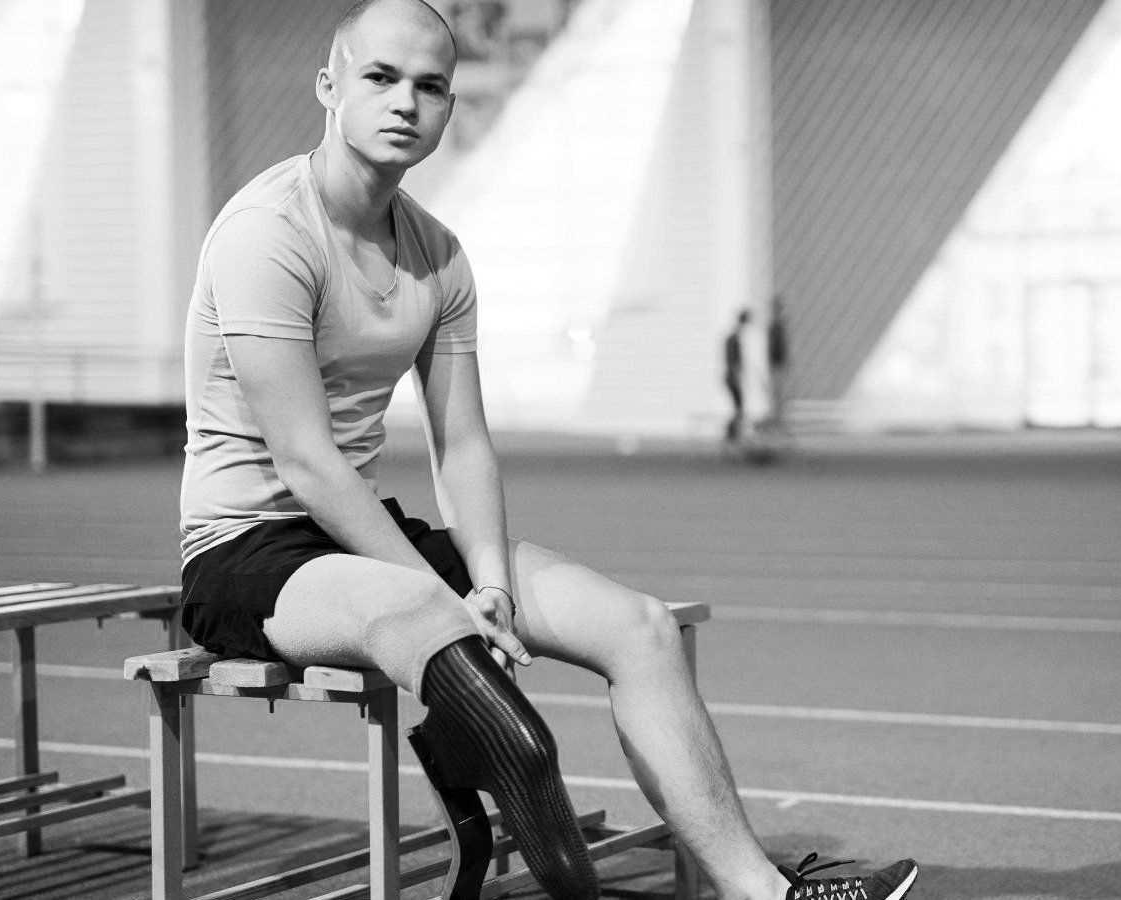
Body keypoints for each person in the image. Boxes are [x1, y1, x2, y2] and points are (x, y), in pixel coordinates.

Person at [177, 2, 920, 899]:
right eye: (380, 77)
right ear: (329, 86)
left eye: (430, 86)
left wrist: (489, 583)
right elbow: (307, 463)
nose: (405, 102)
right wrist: (447, 597)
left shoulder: (438, 255)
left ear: (450, 108)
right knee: (432, 627)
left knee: (640, 628)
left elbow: (462, 444)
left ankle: (759, 893)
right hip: (247, 551)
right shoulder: (267, 234)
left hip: (360, 538)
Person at [723, 309, 751, 445]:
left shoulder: (733, 338)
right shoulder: (733, 339)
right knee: (739, 407)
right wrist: (736, 375)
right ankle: (732, 434)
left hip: (731, 376)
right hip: (732, 377)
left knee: (739, 407)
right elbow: (732, 360)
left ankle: (733, 434)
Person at [766, 295, 790, 433]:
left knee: (779, 393)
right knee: (777, 394)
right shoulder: (775, 326)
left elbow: (780, 346)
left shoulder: (778, 325)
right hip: (776, 364)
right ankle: (777, 422)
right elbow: (774, 347)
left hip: (778, 363)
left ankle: (778, 421)